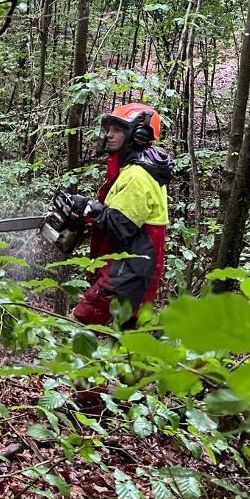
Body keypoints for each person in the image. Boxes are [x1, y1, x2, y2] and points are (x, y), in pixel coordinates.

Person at [65, 102, 173, 329]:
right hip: (128, 271)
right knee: (121, 340)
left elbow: (121, 227)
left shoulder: (138, 176)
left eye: (118, 130)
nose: (110, 135)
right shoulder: (135, 170)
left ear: (139, 135)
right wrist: (87, 215)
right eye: (110, 129)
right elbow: (120, 216)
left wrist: (90, 207)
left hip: (125, 274)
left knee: (77, 328)